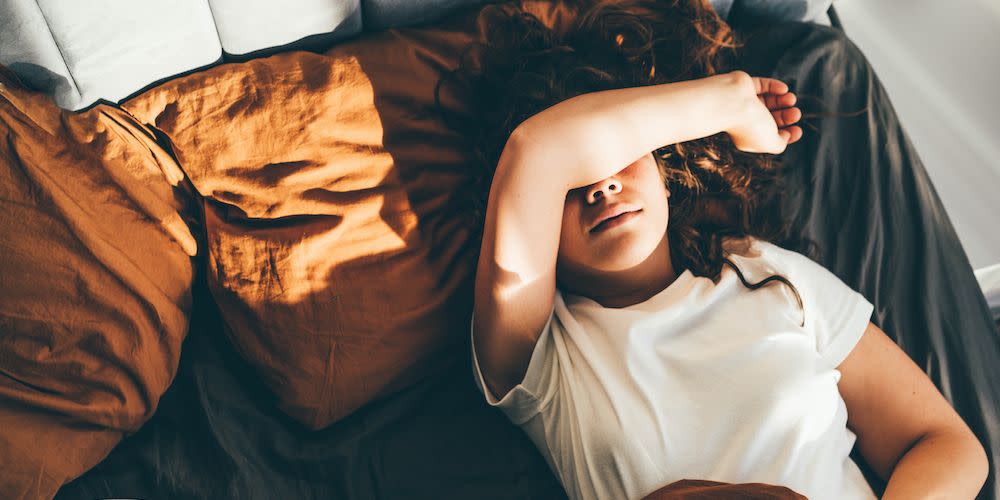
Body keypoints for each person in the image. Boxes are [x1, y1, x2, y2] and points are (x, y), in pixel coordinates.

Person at [437, 1, 989, 499]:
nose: (599, 186)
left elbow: (945, 445)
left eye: (621, 156)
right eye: (569, 187)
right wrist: (732, 103)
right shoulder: (543, 359)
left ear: (663, 166)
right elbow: (537, 150)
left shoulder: (764, 271)